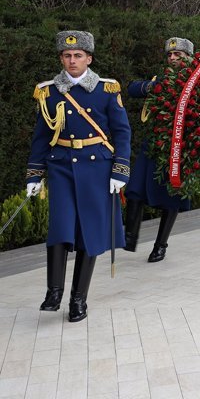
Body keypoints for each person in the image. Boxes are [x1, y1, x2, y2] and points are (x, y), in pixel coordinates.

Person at [27, 31, 131, 322]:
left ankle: (78, 300)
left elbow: (122, 133)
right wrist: (34, 175)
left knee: (90, 233)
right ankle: (54, 291)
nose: (72, 61)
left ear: (89, 58)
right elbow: (41, 136)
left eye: (78, 56)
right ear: (61, 58)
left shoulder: (106, 89)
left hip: (97, 168)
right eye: (67, 56)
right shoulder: (47, 92)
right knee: (59, 227)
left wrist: (120, 169)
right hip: (60, 167)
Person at [123, 38, 193, 262]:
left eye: (178, 55)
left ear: (189, 58)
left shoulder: (195, 82)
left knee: (170, 196)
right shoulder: (159, 80)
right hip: (153, 143)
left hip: (177, 147)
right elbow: (133, 88)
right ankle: (129, 237)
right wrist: (154, 86)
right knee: (134, 190)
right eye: (170, 55)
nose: (172, 58)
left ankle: (160, 245)